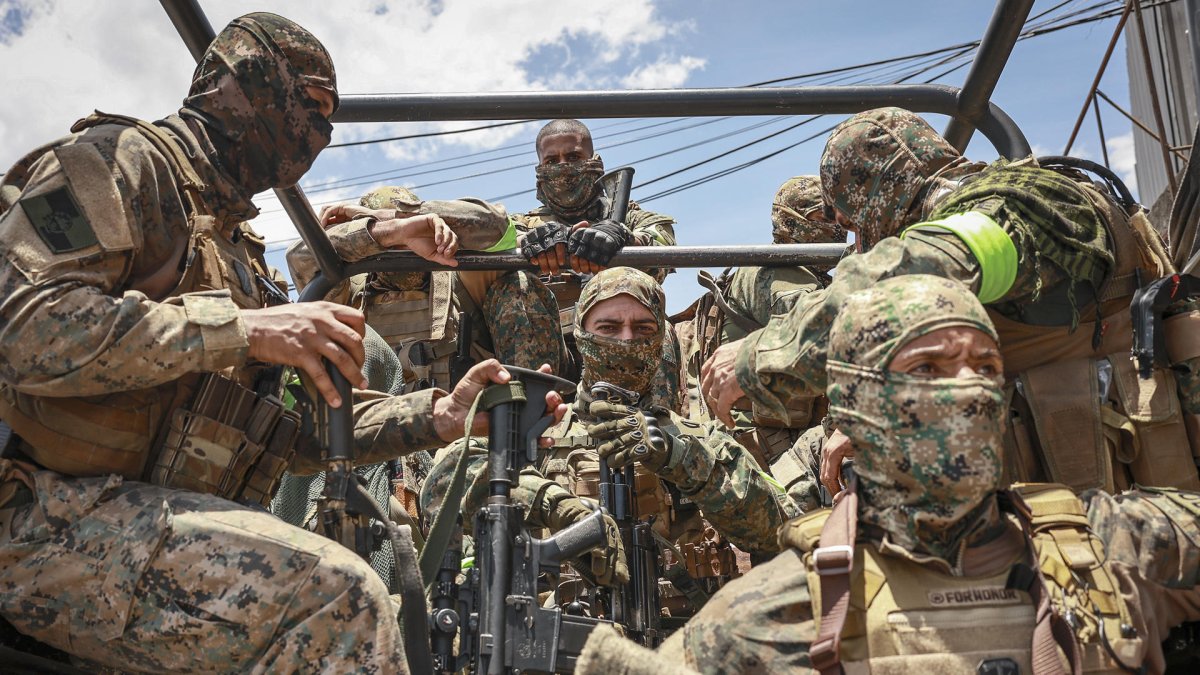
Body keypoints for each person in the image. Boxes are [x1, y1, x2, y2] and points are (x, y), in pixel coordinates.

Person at [0, 13, 564, 671]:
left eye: (328, 117)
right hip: (44, 523)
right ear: (243, 83)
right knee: (338, 599)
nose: (320, 133)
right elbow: (21, 327)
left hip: (149, 521)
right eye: (310, 105)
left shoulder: (238, 252)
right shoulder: (116, 163)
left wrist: (440, 414)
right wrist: (241, 330)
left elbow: (290, 432)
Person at [577, 275, 1200, 674]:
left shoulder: (1121, 541)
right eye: (927, 370)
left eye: (985, 366)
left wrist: (684, 454)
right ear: (857, 404)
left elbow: (768, 515)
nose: (968, 389)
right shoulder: (770, 616)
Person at [703, 107, 1200, 496]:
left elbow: (917, 273)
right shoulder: (994, 209)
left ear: (879, 194)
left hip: (1136, 501)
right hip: (1070, 493)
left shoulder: (1019, 207)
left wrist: (759, 355)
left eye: (854, 222)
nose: (855, 241)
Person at [422, 267, 796, 619]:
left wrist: (682, 457)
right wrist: (551, 503)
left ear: (660, 340)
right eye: (609, 327)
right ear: (582, 336)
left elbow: (783, 528)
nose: (626, 340)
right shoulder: (540, 429)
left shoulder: (702, 438)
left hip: (684, 636)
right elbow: (441, 486)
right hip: (560, 638)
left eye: (643, 328)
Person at [674, 175, 845, 475]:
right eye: (823, 217)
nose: (838, 228)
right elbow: (832, 326)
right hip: (768, 456)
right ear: (789, 220)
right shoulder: (777, 271)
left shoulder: (794, 271)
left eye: (839, 216)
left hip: (772, 449)